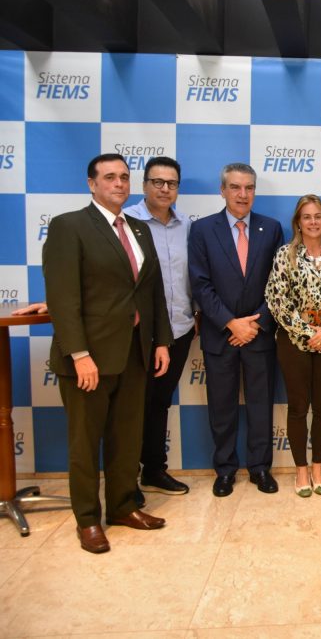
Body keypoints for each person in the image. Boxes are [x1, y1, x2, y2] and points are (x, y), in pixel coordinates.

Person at [43, 153, 173, 554]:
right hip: (89, 359)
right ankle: (87, 520)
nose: (119, 183)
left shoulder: (138, 228)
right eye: (110, 177)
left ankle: (121, 506)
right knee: (85, 443)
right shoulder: (70, 226)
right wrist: (79, 354)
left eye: (124, 177)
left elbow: (151, 292)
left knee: (126, 438)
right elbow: (63, 298)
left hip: (135, 353)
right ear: (91, 183)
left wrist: (163, 340)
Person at [189, 163, 284, 497]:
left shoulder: (271, 229)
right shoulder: (202, 230)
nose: (243, 194)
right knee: (222, 407)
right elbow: (200, 285)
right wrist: (231, 322)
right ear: (223, 190)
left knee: (261, 406)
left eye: (249, 188)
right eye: (235, 187)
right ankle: (225, 470)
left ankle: (260, 468)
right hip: (221, 335)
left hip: (258, 335)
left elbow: (278, 284)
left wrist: (253, 323)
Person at [266, 195, 321, 497]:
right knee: (299, 407)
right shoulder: (284, 255)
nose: (313, 222)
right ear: (298, 222)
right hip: (293, 344)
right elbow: (277, 302)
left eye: (318, 216)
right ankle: (301, 470)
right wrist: (307, 332)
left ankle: (318, 467)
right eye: (307, 217)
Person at [123, 156, 195, 501]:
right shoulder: (126, 223)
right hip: (137, 333)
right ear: (144, 185)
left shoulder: (186, 226)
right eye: (158, 182)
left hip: (179, 329)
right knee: (132, 404)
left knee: (159, 403)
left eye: (172, 183)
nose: (165, 189)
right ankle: (126, 480)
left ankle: (153, 469)